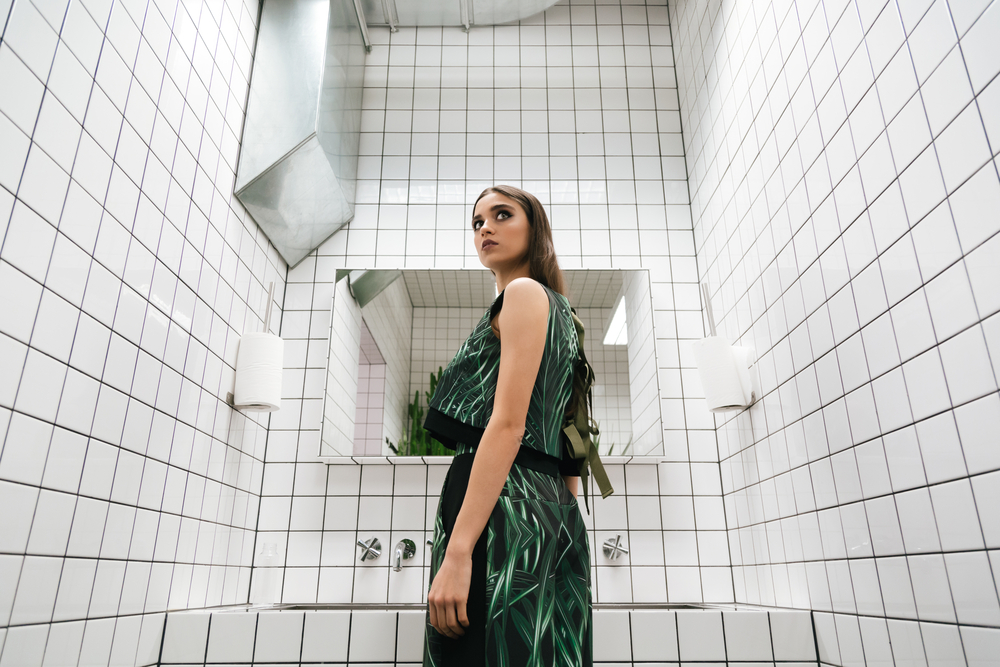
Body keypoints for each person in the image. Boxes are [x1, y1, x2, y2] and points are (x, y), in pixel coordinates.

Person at [421, 185, 593, 667]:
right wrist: (555, 523)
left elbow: (508, 425)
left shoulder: (520, 293)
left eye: (501, 215)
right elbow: (566, 434)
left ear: (534, 227)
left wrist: (458, 553)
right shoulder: (563, 312)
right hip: (545, 508)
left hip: (501, 506)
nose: (485, 228)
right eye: (477, 222)